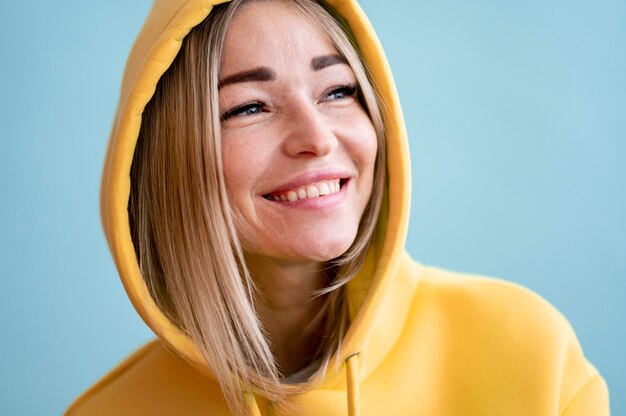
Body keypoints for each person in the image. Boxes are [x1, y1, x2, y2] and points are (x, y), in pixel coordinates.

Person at [66, 0, 610, 414]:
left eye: (337, 91)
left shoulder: (529, 352)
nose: (317, 138)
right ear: (169, 158)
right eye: (249, 106)